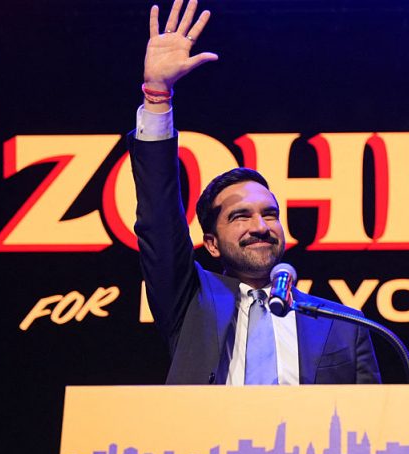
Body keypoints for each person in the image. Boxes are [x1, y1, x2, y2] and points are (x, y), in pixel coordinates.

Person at [128, 0, 381, 385]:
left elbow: (369, 419)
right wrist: (157, 97)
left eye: (269, 213)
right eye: (240, 216)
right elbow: (159, 220)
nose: (261, 226)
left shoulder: (344, 325)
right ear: (211, 244)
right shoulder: (191, 302)